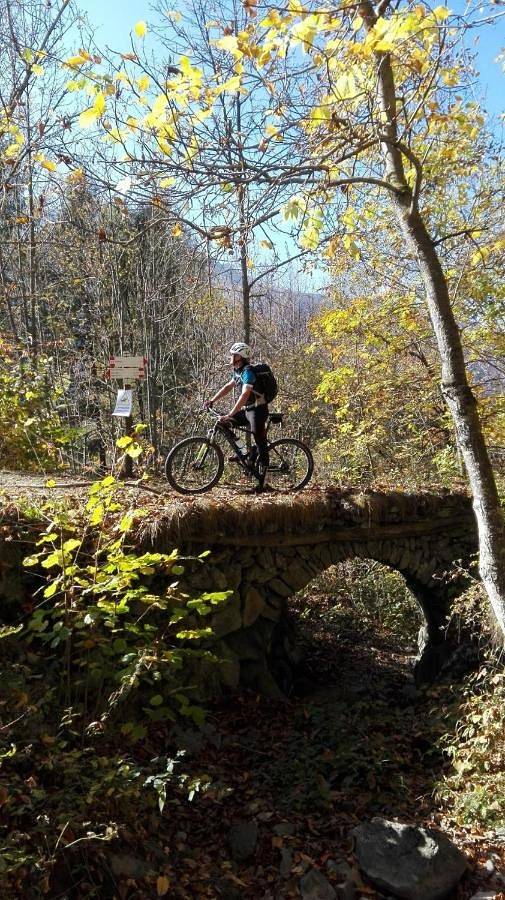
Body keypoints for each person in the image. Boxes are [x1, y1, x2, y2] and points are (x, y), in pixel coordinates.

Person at [205, 342, 269, 491]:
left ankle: (262, 482)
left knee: (260, 440)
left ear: (242, 357)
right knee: (224, 424)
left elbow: (245, 394)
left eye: (235, 355)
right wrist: (212, 400)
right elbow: (228, 387)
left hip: (258, 410)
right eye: (232, 355)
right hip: (248, 410)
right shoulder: (238, 371)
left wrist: (230, 414)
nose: (232, 357)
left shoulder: (248, 372)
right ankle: (246, 453)